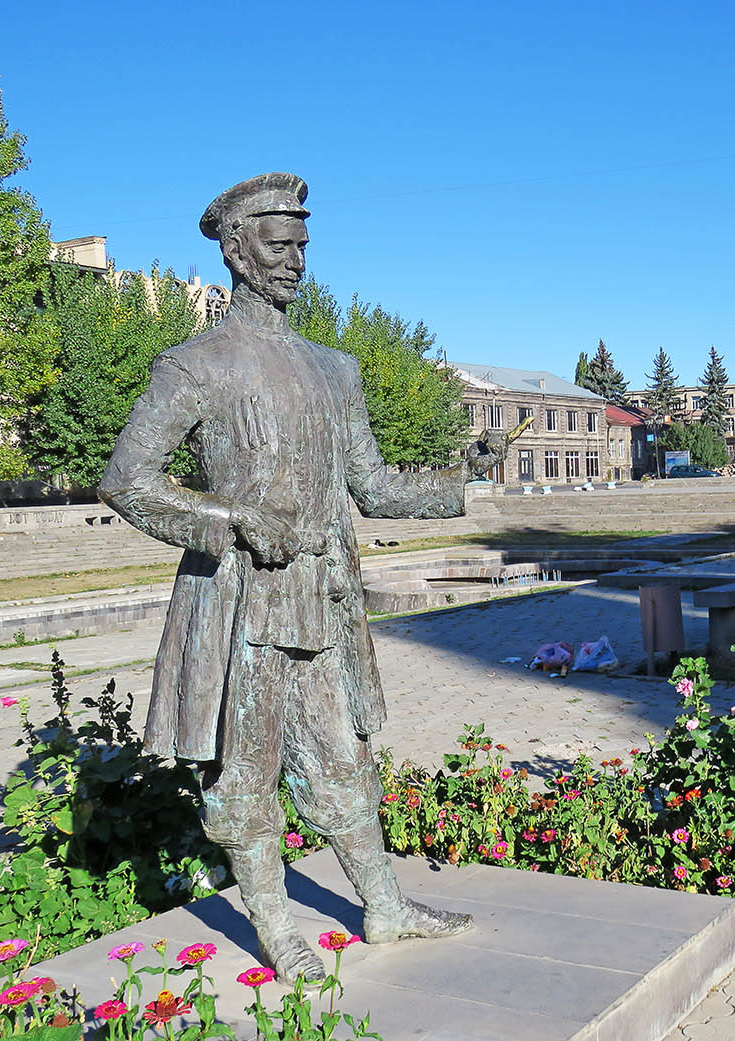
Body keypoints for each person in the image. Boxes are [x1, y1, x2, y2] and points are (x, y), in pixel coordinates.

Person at [100, 173, 499, 981]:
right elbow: (127, 479)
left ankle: (384, 907)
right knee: (244, 774)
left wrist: (463, 478)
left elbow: (373, 485)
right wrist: (232, 520)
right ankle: (280, 931)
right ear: (236, 251)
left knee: (343, 760)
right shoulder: (193, 364)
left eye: (303, 247)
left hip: (323, 599)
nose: (295, 262)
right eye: (279, 247)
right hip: (240, 604)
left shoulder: (334, 368)